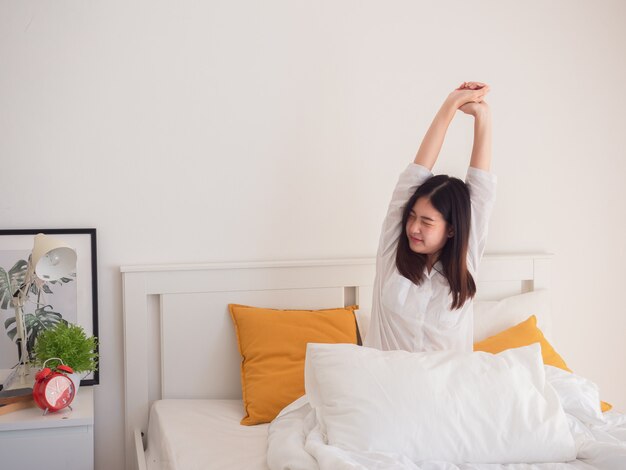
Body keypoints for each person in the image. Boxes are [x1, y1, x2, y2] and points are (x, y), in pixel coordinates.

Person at [363, 82, 496, 353]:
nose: (413, 227)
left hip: (447, 393)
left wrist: (483, 116)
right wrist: (449, 106)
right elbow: (415, 174)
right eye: (412, 216)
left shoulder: (465, 264)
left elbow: (481, 192)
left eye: (427, 222)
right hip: (386, 390)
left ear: (451, 230)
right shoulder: (392, 253)